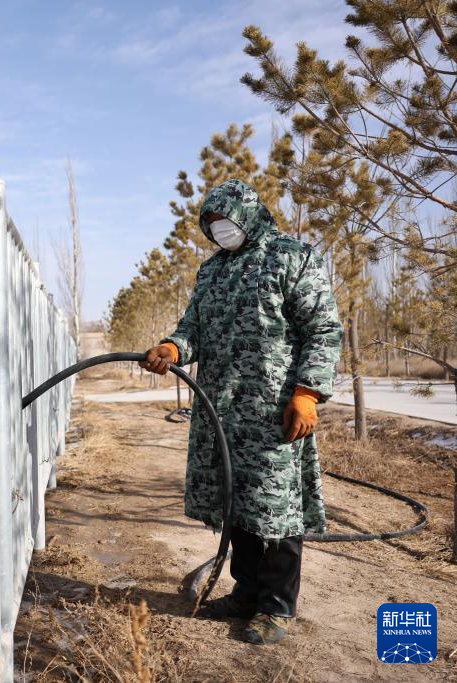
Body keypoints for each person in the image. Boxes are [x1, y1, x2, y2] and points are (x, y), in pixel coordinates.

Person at [139, 178, 343, 645]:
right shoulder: (212, 271)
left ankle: (276, 608)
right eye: (211, 223)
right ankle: (246, 594)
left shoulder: (292, 257)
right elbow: (193, 327)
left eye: (225, 220)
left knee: (276, 506)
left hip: (274, 414)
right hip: (222, 410)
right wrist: (173, 347)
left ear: (248, 214)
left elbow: (323, 329)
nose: (220, 229)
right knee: (238, 502)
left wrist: (307, 393)